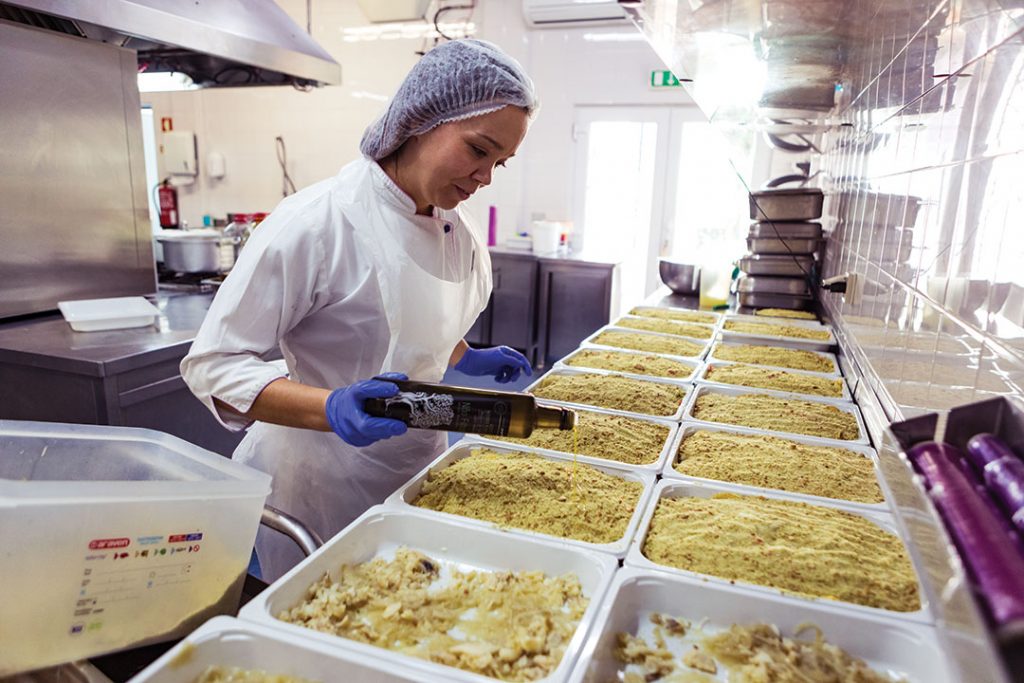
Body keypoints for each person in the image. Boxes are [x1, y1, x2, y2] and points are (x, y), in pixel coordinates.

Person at [181, 39, 537, 581]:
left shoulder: (455, 233)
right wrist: (331, 406)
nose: (485, 177)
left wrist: (465, 355)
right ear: (422, 120)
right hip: (322, 486)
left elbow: (410, 327)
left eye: (500, 162)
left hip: (419, 471)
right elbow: (213, 365)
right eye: (478, 150)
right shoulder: (318, 223)